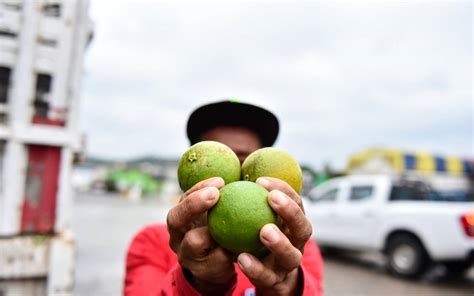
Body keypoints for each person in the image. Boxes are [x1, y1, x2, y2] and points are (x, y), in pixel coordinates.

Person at [124, 100, 324, 295]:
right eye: (213, 164)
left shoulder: (296, 249)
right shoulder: (152, 243)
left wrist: (288, 288)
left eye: (243, 162)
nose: (232, 186)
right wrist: (196, 285)